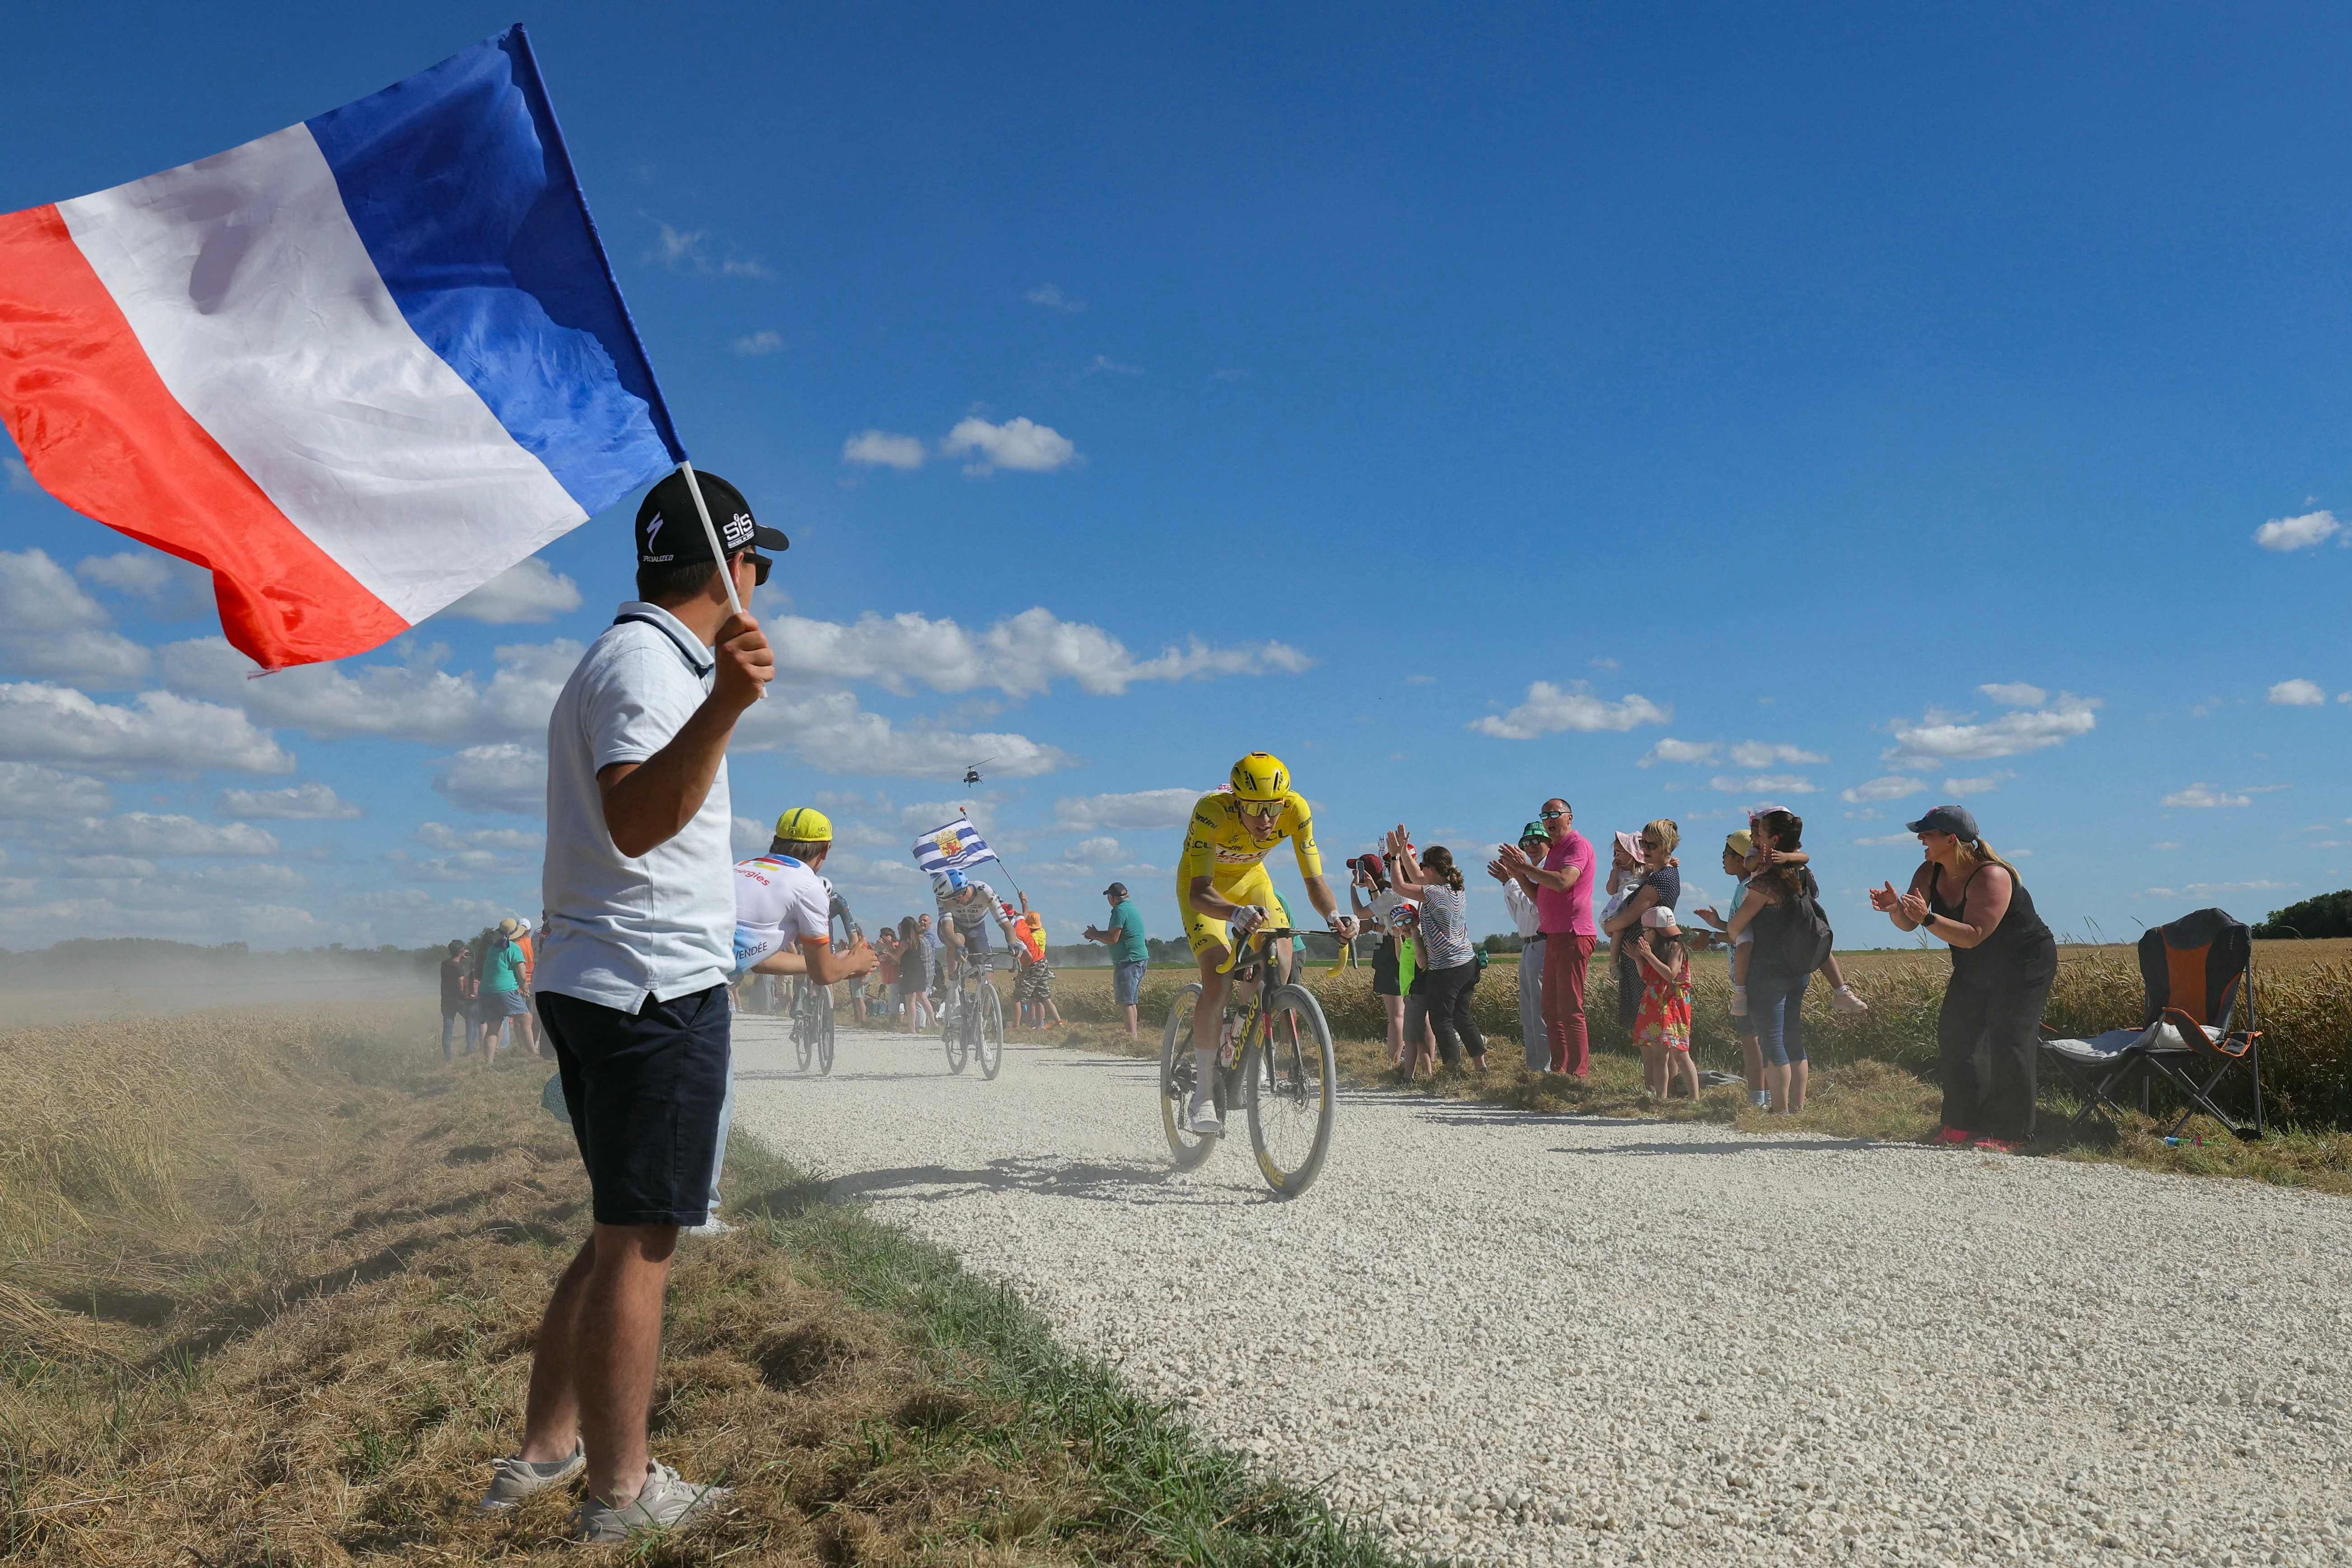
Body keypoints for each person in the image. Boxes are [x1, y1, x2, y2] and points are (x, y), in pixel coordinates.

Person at [488, 467, 780, 1542]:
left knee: (615, 1234)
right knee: (641, 1242)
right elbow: (636, 821)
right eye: (762, 570)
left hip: (615, 978)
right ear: (738, 571)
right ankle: (618, 1496)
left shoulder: (632, 660)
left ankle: (546, 1451)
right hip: (650, 989)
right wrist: (725, 705)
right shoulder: (652, 667)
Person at [1176, 754, 1358, 1132]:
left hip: (1252, 881)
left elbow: (1314, 880)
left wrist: (1334, 916)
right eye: (1256, 809)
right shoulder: (1211, 811)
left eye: (1273, 808)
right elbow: (1199, 893)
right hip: (1206, 891)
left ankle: (1250, 1038)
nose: (1266, 820)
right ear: (1238, 801)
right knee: (1218, 978)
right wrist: (1235, 914)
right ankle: (1204, 1095)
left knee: (1282, 955)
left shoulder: (1296, 809)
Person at [1868, 804, 2057, 1153]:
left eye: (1927, 833)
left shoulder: (1992, 875)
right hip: (1976, 963)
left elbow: (1972, 933)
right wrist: (1896, 908)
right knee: (1956, 1035)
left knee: (2010, 1037)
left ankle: (2012, 1132)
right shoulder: (1929, 871)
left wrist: (1926, 918)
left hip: (2024, 963)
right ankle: (1962, 1124)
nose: (1920, 839)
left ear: (1951, 839)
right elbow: (1909, 923)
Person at [726, 806, 877, 1227]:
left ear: (775, 842)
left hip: (687, 976)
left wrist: (832, 962)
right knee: (714, 1096)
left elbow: (759, 961)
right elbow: (826, 973)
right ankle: (697, 1212)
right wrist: (856, 962)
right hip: (701, 988)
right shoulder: (808, 885)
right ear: (824, 852)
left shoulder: (744, 866)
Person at [1495, 798, 1597, 1075]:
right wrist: (1516, 874)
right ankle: (1559, 1070)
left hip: (1574, 933)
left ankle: (1579, 1074)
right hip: (1554, 936)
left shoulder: (1577, 846)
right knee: (1550, 1010)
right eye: (1545, 815)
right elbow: (1540, 898)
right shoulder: (1554, 853)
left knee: (1570, 1009)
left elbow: (1564, 882)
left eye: (1555, 814)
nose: (1550, 819)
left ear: (1570, 818)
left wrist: (1524, 869)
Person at [1727, 853, 1827, 1113]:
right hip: (1798, 967)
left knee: (1772, 1042)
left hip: (1768, 970)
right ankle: (1798, 1107)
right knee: (1793, 1037)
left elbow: (1735, 927)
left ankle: (1780, 1111)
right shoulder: (1803, 874)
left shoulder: (1764, 884)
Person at [1385, 829, 1486, 1073]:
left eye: (1423, 866)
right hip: (1467, 962)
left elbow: (1399, 886)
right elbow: (1418, 877)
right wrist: (1405, 850)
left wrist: (1395, 858)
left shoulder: (1432, 893)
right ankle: (1481, 1067)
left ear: (1431, 869)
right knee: (1463, 1016)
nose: (1421, 870)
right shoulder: (1455, 889)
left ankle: (1453, 1069)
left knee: (1442, 1020)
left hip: (1447, 967)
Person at [1692, 828, 1766, 1107]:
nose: (1722, 859)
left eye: (1726, 854)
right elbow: (1737, 929)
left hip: (1748, 976)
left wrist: (1712, 936)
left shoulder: (1748, 887)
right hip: (1750, 973)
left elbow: (1744, 936)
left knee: (1752, 1038)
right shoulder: (1747, 886)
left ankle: (1758, 1098)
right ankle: (1766, 1094)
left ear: (1741, 858)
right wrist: (1718, 924)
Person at [1602, 820, 1682, 1042]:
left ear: (1667, 847)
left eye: (1652, 846)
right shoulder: (1657, 874)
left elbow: (1632, 914)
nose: (1645, 849)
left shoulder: (1661, 878)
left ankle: (1658, 1072)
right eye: (1643, 844)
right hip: (1640, 952)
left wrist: (1609, 926)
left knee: (1650, 1020)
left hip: (1649, 953)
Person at [1350, 852, 1426, 1069]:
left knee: (1396, 1014)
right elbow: (1388, 917)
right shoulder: (1417, 893)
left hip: (1392, 950)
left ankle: (1394, 1061)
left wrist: (1353, 888)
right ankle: (1424, 1062)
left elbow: (1363, 913)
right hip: (1416, 948)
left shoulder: (1393, 895)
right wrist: (1374, 889)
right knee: (1420, 1011)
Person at [1487, 822, 1550, 1071]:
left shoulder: (1546, 872)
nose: (1532, 846)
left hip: (1542, 942)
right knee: (1529, 1013)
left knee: (1542, 1011)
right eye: (1527, 842)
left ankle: (1546, 1068)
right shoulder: (1530, 874)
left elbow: (1536, 909)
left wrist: (1512, 881)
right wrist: (1508, 882)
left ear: (1550, 843)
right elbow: (1519, 916)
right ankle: (1534, 1067)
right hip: (1527, 944)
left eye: (1538, 840)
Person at [1630, 907, 1698, 1100]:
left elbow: (1670, 974)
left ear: (1655, 932)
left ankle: (1695, 1099)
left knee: (1680, 1054)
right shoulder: (1657, 951)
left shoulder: (1676, 948)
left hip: (1672, 1007)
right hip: (1655, 1005)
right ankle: (1661, 1098)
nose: (1643, 935)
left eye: (1645, 931)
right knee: (1660, 1056)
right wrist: (1639, 959)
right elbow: (1648, 978)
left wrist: (1649, 955)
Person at [1082, 882, 1149, 1041]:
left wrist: (1096, 936)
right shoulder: (1130, 907)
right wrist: (1097, 933)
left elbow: (1113, 938)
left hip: (1128, 960)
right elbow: (1117, 933)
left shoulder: (1119, 911)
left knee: (1126, 1001)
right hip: (1138, 958)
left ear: (1112, 898)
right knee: (1131, 1000)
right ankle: (1133, 1035)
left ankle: (1131, 1037)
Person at [476, 917, 531, 1066]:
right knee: (526, 1019)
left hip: (486, 990)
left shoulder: (493, 948)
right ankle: (533, 1054)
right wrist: (524, 986)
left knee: (493, 1027)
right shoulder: (513, 948)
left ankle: (489, 1063)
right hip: (505, 990)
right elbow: (522, 974)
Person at [894, 915, 931, 1031]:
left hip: (909, 971)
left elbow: (896, 957)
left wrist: (887, 948)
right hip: (920, 970)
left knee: (910, 1001)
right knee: (924, 998)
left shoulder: (905, 941)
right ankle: (934, 1023)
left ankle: (912, 1027)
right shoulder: (918, 938)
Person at [438, 939, 469, 1061]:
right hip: (459, 1000)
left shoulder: (444, 964)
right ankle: (470, 1048)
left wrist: (461, 955)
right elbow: (461, 985)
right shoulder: (458, 968)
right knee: (472, 1020)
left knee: (448, 1029)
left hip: (446, 1000)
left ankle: (447, 1057)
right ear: (462, 951)